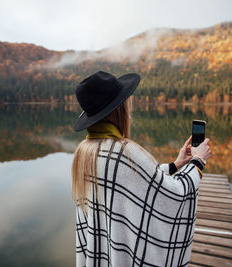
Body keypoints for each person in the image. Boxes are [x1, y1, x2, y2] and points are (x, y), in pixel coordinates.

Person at [72, 71, 211, 267]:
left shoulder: (84, 152)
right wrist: (198, 161)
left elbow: (135, 180)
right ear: (119, 111)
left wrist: (175, 165)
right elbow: (175, 194)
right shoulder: (125, 153)